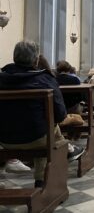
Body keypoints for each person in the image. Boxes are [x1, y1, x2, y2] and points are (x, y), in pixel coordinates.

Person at [0, 41, 83, 187]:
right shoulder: (46, 80)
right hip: (36, 137)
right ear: (36, 60)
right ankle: (41, 181)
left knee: (40, 124)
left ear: (14, 57)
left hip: (3, 139)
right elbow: (60, 116)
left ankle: (67, 148)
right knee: (46, 126)